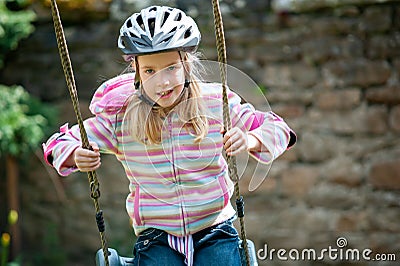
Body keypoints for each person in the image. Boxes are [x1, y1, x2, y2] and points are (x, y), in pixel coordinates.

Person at [43, 5, 296, 266]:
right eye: (150, 71)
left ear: (186, 65)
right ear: (137, 73)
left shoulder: (216, 103)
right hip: (156, 235)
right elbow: (59, 143)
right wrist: (75, 154)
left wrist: (250, 139)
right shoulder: (121, 118)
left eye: (171, 68)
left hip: (215, 228)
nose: (162, 82)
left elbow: (278, 129)